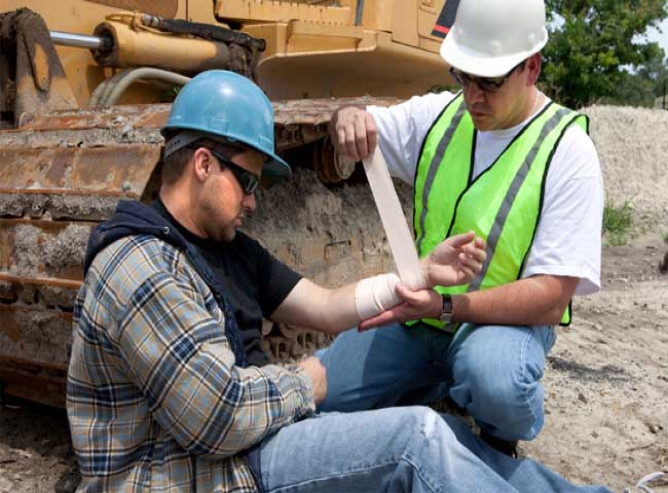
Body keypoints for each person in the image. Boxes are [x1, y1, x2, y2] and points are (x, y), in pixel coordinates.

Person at [66, 69, 612, 493]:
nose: (255, 201)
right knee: (414, 438)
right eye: (249, 181)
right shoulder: (141, 265)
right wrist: (309, 382)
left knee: (444, 435)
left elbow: (326, 307)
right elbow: (219, 418)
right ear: (204, 164)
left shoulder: (226, 248)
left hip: (241, 447)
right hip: (196, 473)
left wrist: (417, 275)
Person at [317, 0, 604, 456]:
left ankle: (497, 437)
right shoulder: (441, 116)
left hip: (500, 328)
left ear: (531, 68)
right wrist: (347, 116)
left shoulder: (567, 150)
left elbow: (552, 296)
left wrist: (450, 305)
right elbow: (358, 123)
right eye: (463, 76)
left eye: (489, 81)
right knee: (324, 394)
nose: (473, 96)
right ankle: (431, 386)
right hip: (420, 316)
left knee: (496, 380)